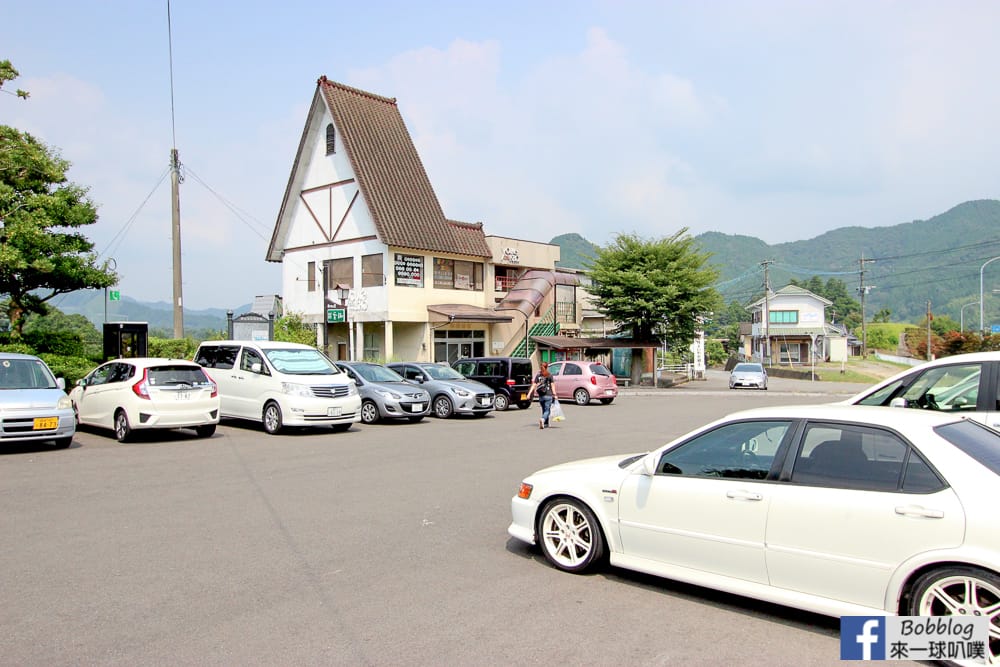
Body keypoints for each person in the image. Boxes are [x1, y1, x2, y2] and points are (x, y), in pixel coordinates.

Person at [527, 362, 554, 429]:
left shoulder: (538, 375)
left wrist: (529, 394)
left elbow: (534, 385)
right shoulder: (549, 375)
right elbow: (552, 386)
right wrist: (555, 394)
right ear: (547, 367)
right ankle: (543, 419)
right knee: (547, 411)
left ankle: (546, 424)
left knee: (544, 410)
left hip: (541, 396)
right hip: (548, 395)